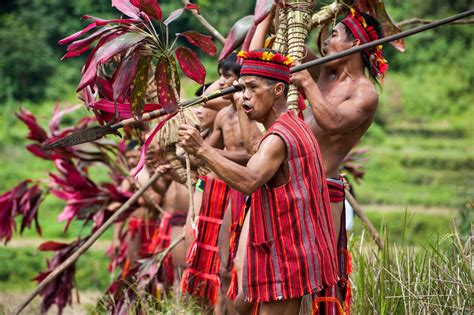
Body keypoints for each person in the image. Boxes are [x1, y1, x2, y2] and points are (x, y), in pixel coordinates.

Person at [179, 49, 337, 315]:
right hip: (292, 249)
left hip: (289, 255)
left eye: (252, 88)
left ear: (277, 91)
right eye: (242, 88)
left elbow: (250, 179)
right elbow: (255, 150)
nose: (245, 95)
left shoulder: (279, 137)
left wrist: (202, 150)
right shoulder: (292, 125)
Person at [290, 8, 387, 312]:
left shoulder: (365, 93)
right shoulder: (325, 72)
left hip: (320, 191)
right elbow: (295, 52)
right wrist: (292, 18)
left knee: (314, 287)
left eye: (334, 35)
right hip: (287, 183)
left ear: (354, 44)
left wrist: (306, 84)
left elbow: (332, 121)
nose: (326, 43)